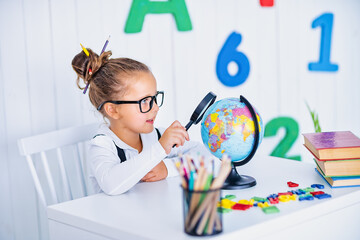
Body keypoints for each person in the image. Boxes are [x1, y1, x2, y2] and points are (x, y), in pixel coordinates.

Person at [71, 48, 205, 195]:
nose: (155, 108)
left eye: (154, 98)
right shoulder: (103, 145)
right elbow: (111, 184)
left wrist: (168, 168)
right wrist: (160, 149)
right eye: (145, 101)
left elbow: (205, 154)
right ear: (113, 110)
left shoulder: (156, 135)